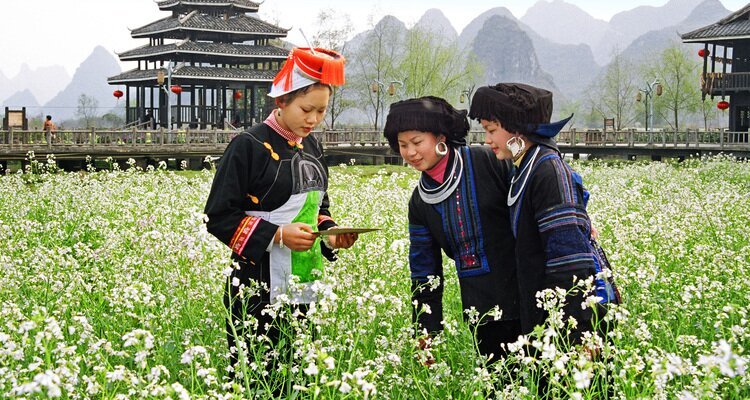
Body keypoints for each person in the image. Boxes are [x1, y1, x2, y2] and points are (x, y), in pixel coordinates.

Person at [203, 47, 358, 394]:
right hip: (257, 285)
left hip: (305, 280)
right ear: (282, 101)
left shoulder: (313, 147)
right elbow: (218, 216)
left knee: (301, 378)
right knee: (260, 377)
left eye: (321, 111)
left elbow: (319, 204)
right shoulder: (248, 145)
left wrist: (330, 234)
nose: (313, 119)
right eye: (306, 109)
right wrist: (277, 235)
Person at [469, 83, 608, 348]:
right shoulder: (524, 167)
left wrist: (580, 335)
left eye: (491, 130)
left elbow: (571, 261)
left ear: (517, 129)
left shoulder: (548, 172)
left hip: (568, 324)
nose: (487, 140)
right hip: (546, 318)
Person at [383, 96, 520, 365]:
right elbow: (424, 270)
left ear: (440, 138)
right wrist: (425, 333)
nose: (410, 152)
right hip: (483, 311)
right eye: (403, 145)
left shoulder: (487, 162)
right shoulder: (420, 202)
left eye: (417, 142)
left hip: (530, 294)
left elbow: (536, 194)